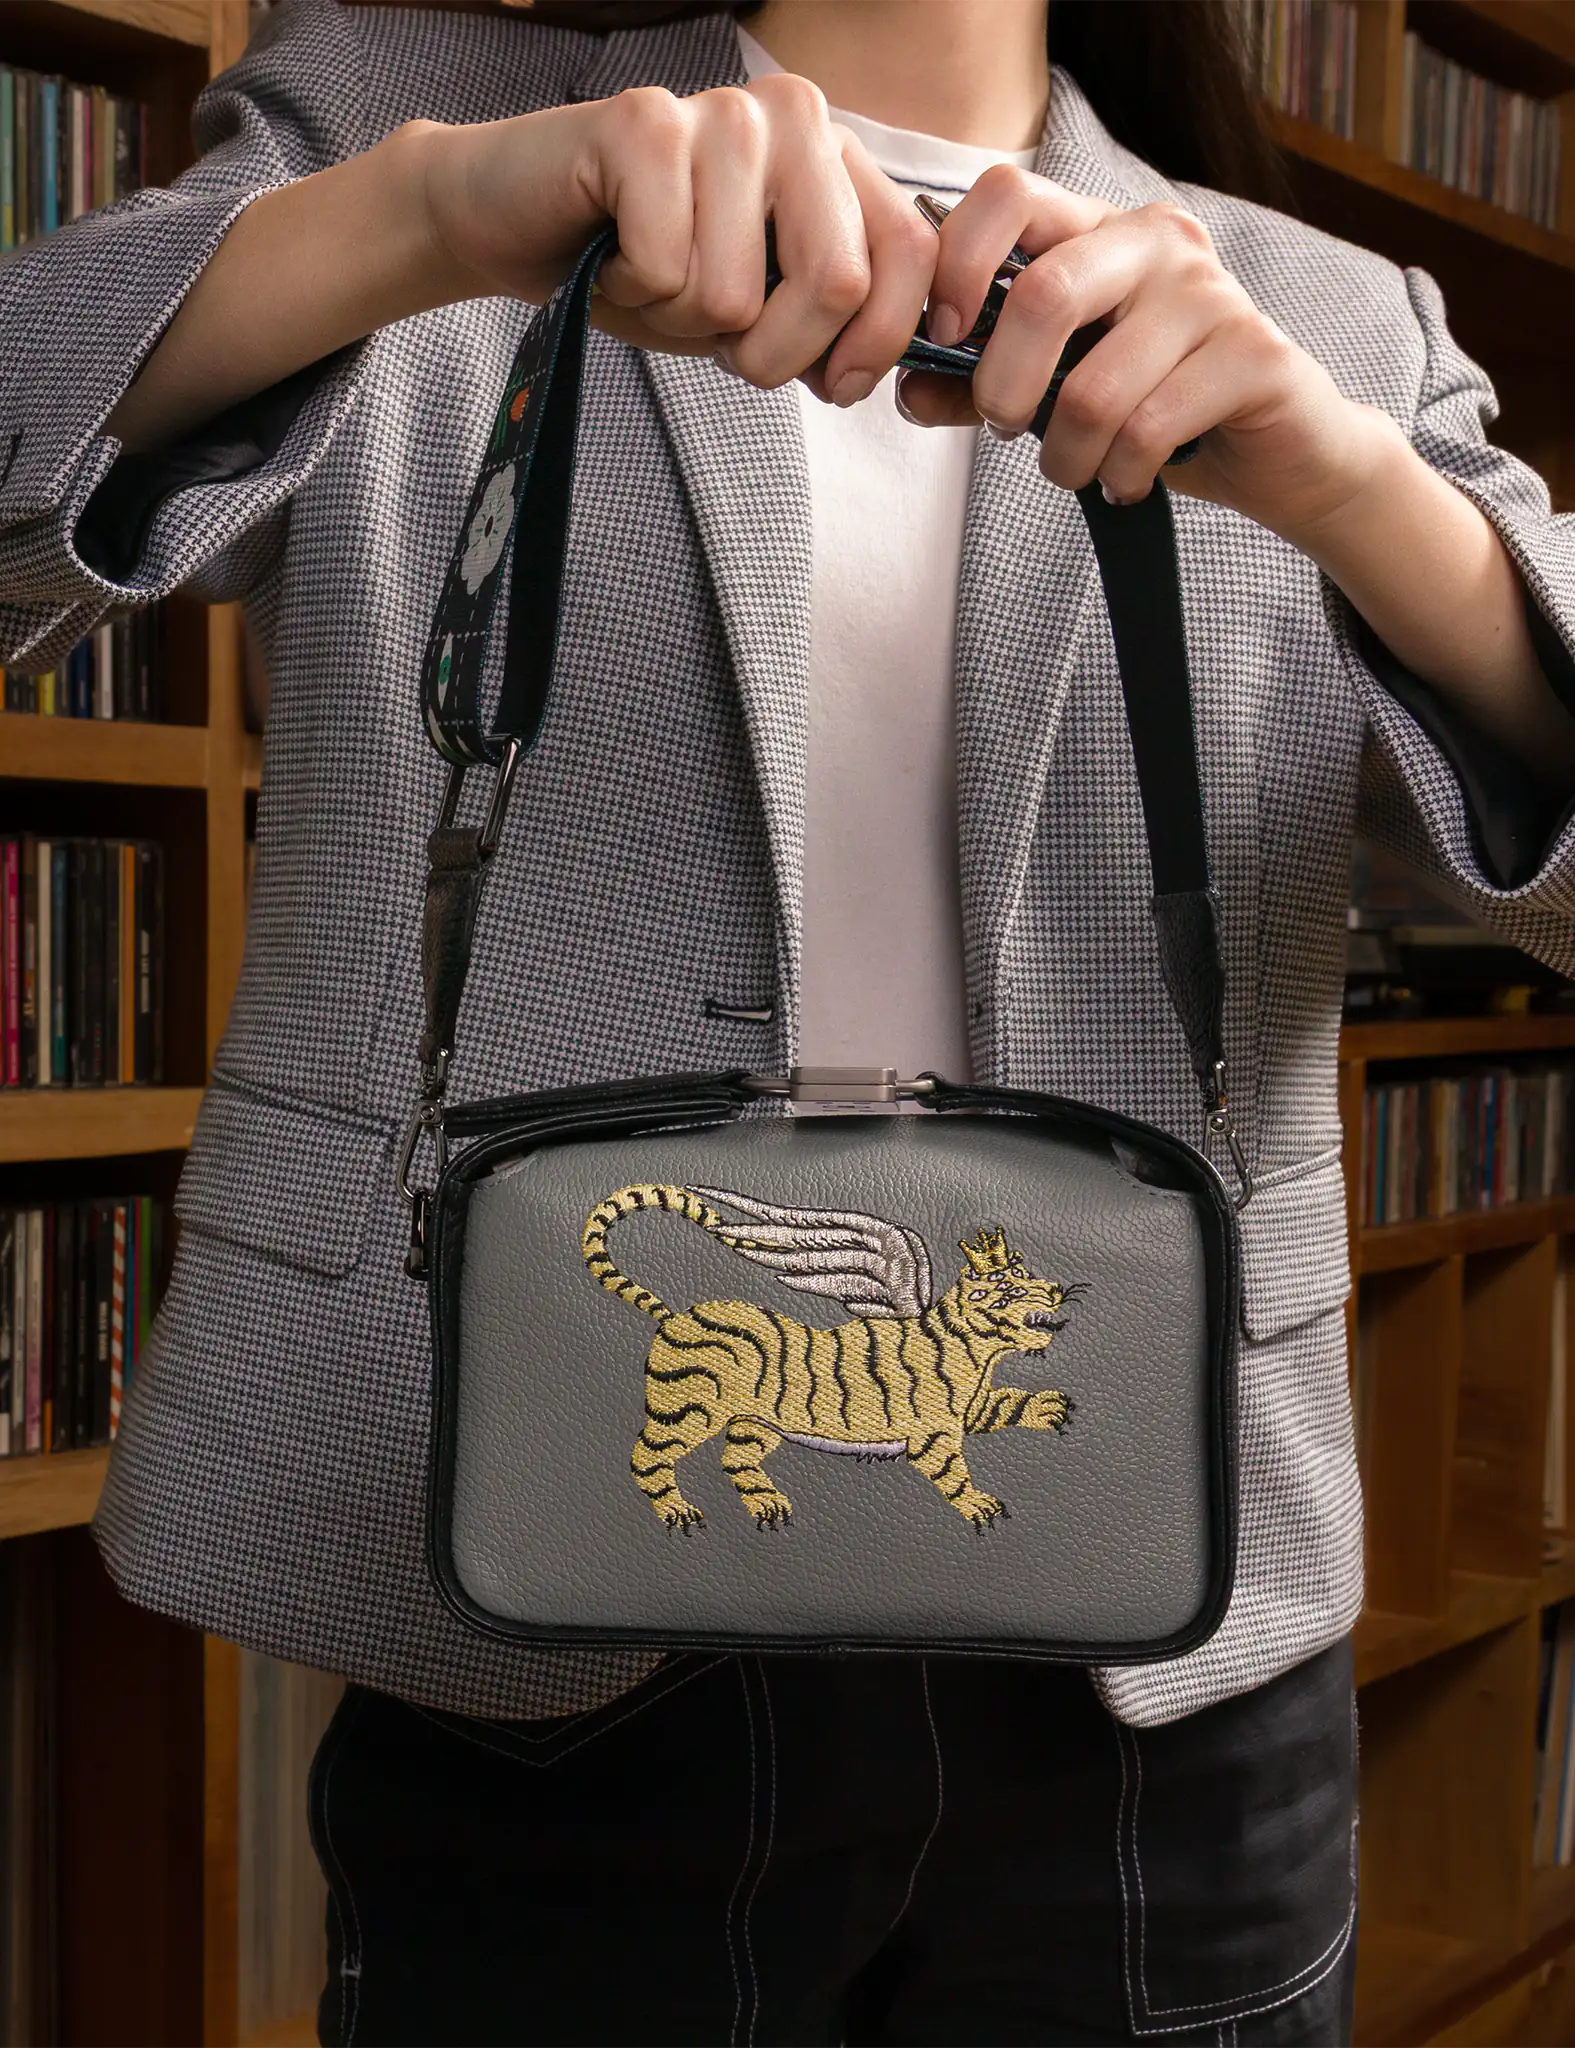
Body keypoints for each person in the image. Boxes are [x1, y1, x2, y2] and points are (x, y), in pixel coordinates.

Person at [5, 0, 1574, 2038]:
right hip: (531, 1553)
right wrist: (427, 222)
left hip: (1159, 1607)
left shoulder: (1329, 313)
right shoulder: (400, 127)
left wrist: (1350, 486)